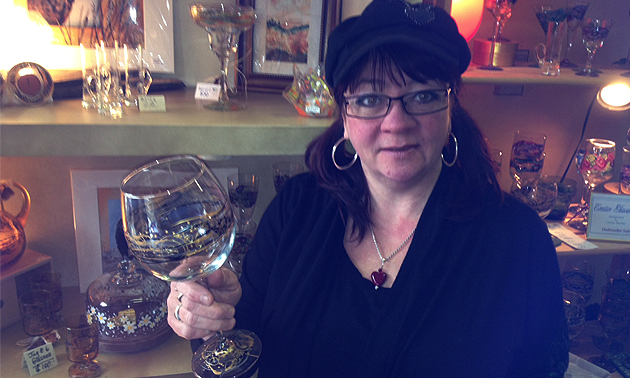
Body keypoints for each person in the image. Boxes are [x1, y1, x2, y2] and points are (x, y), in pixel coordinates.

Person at [167, 0, 569, 376]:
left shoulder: (517, 241)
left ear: (451, 109)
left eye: (423, 95)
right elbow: (245, 347)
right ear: (344, 115)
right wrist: (215, 319)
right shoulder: (295, 210)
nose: (397, 122)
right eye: (371, 97)